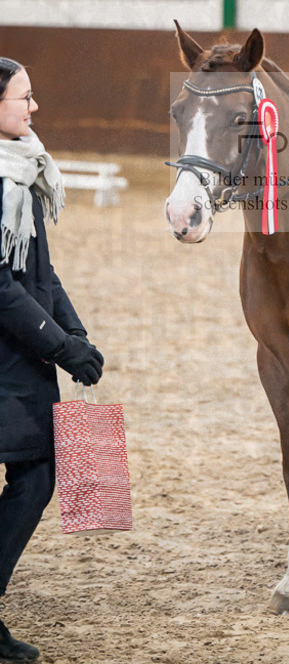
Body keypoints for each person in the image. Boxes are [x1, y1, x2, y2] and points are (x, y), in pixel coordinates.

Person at [0, 57, 104, 663]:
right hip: (9, 356)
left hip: (23, 353)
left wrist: (76, 333)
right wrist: (58, 344)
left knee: (35, 472)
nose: (34, 108)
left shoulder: (22, 171)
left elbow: (40, 269)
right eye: (23, 98)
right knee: (36, 473)